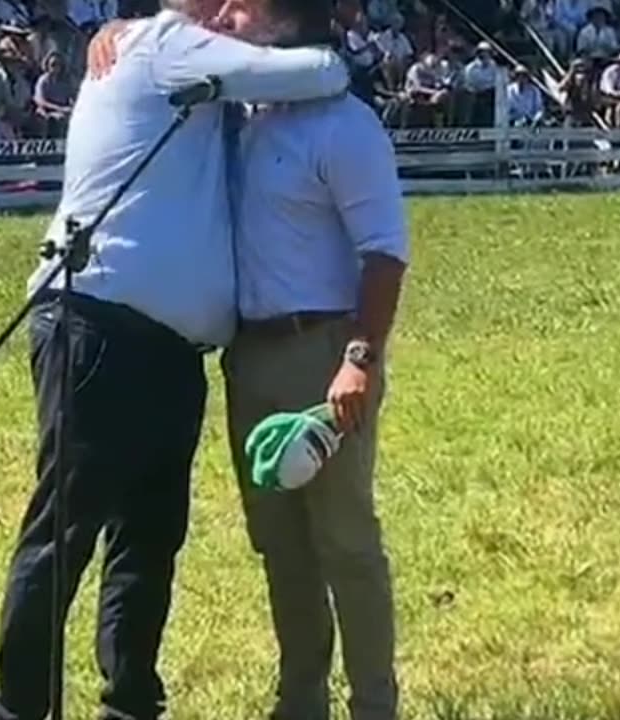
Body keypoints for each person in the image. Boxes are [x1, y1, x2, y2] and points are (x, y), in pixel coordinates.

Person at [0, 1, 351, 719]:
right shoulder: (172, 47)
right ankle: (22, 707)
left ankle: (129, 699)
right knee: (71, 529)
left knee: (144, 537)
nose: (236, 19)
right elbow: (319, 70)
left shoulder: (171, 58)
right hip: (105, 325)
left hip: (154, 344)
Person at [211, 3, 409, 720]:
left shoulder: (344, 124)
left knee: (345, 539)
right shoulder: (241, 120)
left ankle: (373, 704)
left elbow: (384, 252)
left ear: (286, 18)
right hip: (250, 355)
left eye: (244, 5)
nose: (227, 16)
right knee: (281, 543)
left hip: (324, 350)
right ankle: (300, 701)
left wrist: (359, 358)